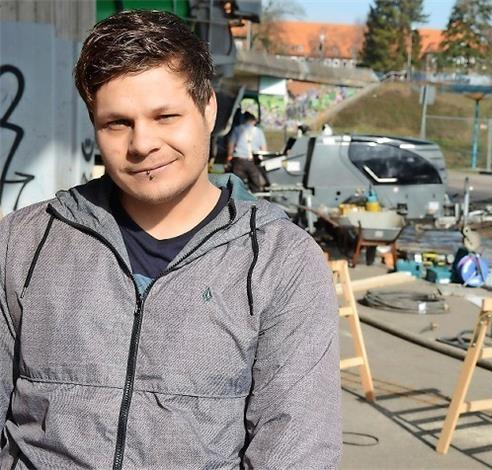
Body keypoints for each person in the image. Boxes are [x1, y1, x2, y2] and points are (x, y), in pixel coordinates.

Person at [0, 10, 341, 469]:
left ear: (208, 110)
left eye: (165, 116)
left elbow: (296, 454)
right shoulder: (22, 243)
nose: (142, 143)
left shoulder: (281, 263)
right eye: (117, 123)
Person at [227, 111, 268, 193]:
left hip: (239, 161)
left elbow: (231, 144)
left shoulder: (237, 129)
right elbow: (264, 148)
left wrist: (229, 158)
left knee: (236, 186)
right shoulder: (258, 131)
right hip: (252, 162)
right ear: (254, 121)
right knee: (256, 186)